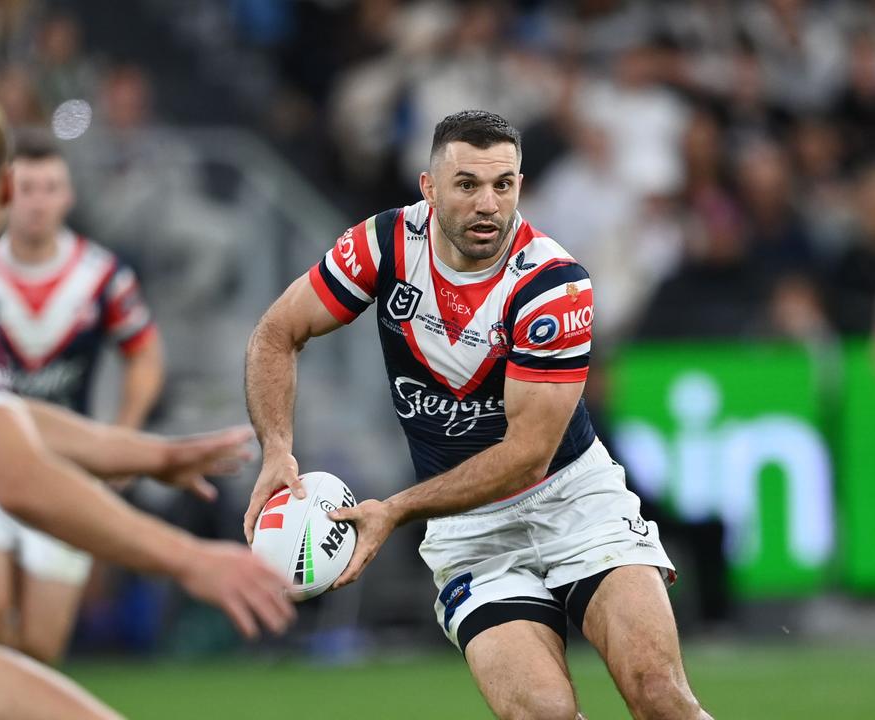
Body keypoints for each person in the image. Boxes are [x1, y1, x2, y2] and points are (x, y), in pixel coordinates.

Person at [0, 83, 294, 720]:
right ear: (6, 190)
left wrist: (145, 454)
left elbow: (10, 417)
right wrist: (190, 560)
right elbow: (19, 479)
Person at [243, 110, 710, 720]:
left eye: (503, 184)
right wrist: (277, 448)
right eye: (467, 185)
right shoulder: (382, 246)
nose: (488, 203)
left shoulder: (551, 284)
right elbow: (277, 332)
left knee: (659, 695)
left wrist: (397, 509)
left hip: (575, 502)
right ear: (429, 188)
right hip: (471, 533)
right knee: (541, 714)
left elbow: (528, 457)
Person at [0, 129, 165, 665]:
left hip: (65, 466)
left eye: (49, 188)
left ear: (68, 196)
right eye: (26, 187)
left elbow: (147, 354)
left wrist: (122, 433)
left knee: (42, 644)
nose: (37, 201)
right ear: (4, 194)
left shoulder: (102, 275)